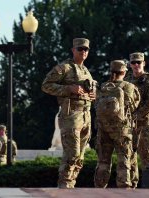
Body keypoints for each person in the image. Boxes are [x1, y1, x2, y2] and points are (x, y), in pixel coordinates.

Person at [41, 38, 97, 189]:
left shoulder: (86, 71)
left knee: (80, 157)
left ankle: (70, 187)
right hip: (71, 115)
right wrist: (68, 89)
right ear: (73, 50)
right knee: (72, 154)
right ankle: (64, 186)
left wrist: (92, 95)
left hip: (86, 116)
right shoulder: (64, 67)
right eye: (80, 49)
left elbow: (89, 91)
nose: (83, 52)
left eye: (86, 49)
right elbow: (46, 85)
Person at [94, 60, 140, 188]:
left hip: (103, 128)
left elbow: (96, 105)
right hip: (122, 129)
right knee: (123, 160)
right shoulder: (129, 87)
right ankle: (124, 188)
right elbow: (134, 105)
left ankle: (99, 188)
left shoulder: (103, 86)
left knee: (103, 161)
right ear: (124, 72)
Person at [126, 52, 149, 188]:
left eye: (138, 62)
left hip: (144, 125)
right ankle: (132, 189)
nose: (136, 65)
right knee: (129, 159)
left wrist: (135, 116)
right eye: (133, 63)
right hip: (128, 126)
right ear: (129, 65)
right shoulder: (127, 80)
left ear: (143, 63)